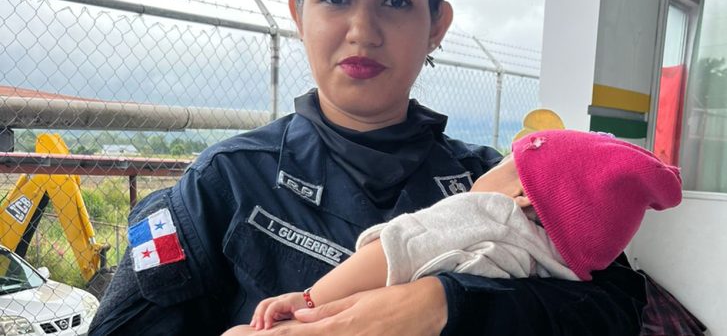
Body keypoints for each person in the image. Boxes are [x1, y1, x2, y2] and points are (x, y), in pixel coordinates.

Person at [90, 0, 649, 334]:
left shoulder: (498, 183)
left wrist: (438, 305)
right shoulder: (222, 184)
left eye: (396, 1)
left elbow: (617, 306)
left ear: (437, 24)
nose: (362, 31)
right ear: (297, 13)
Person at [226, 130, 681, 334]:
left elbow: (399, 245)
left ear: (522, 196)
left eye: (506, 166)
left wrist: (308, 299)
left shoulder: (491, 215)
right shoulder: (566, 265)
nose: (490, 170)